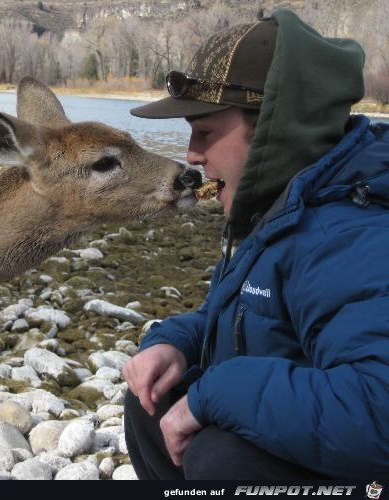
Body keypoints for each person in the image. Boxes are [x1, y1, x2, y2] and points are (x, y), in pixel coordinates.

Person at [123, 9, 389, 479]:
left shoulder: (349, 234)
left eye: (205, 132)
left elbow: (378, 413)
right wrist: (177, 342)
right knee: (152, 399)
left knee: (221, 455)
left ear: (273, 130)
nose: (191, 155)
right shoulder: (277, 206)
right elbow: (246, 315)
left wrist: (214, 394)